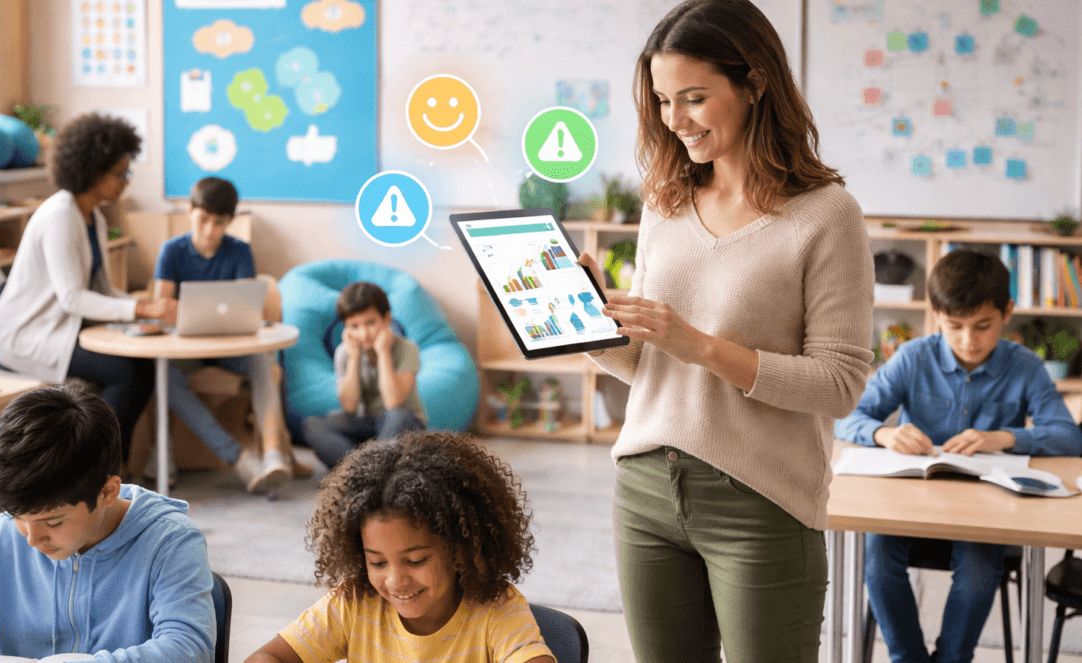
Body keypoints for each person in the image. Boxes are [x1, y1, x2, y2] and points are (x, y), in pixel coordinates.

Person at [572, 1, 875, 660]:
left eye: (693, 98)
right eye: (659, 99)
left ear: (754, 82)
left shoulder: (828, 216)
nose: (672, 119)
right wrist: (592, 328)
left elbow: (839, 383)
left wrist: (701, 345)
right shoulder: (665, 200)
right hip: (647, 489)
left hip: (761, 502)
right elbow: (654, 362)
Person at [836, 249, 1082, 663]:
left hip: (984, 511)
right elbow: (847, 415)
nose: (969, 340)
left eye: (983, 326)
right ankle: (908, 658)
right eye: (955, 327)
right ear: (936, 316)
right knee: (876, 562)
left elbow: (1068, 439)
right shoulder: (914, 357)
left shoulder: (1025, 366)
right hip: (908, 503)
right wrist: (883, 432)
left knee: (979, 576)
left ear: (1007, 312)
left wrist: (1003, 438)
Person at [0, 386, 215, 663]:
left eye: (53, 522)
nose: (31, 539)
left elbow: (190, 649)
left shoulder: (171, 542)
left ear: (108, 491)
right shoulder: (1, 538)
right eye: (17, 516)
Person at [243, 431, 555, 663]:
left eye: (416, 560)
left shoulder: (496, 609)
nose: (396, 581)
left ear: (459, 548)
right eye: (378, 563)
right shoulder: (353, 604)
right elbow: (267, 658)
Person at [0, 114, 177, 470]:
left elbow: (102, 288)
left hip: (61, 327)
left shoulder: (94, 216)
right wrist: (141, 311)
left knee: (142, 363)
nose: (126, 181)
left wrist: (145, 305)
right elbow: (72, 297)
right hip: (26, 334)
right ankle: (104, 472)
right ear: (92, 170)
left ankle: (115, 469)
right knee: (128, 371)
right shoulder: (60, 215)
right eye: (119, 173)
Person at [149, 176, 306, 493]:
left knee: (264, 362)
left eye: (218, 223)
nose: (209, 230)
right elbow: (160, 308)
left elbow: (248, 309)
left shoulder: (239, 252)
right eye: (203, 219)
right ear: (190, 211)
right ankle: (239, 459)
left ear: (230, 222)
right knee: (164, 375)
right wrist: (171, 313)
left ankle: (274, 454)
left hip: (231, 349)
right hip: (186, 352)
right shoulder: (172, 251)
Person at [300, 281, 426, 469]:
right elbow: (349, 406)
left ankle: (365, 469)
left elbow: (393, 403)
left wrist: (383, 353)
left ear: (386, 319)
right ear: (346, 327)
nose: (364, 333)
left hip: (402, 425)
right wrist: (354, 358)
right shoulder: (345, 352)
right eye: (354, 326)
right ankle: (366, 468)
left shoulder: (407, 348)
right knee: (312, 425)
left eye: (370, 323)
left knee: (396, 416)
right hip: (365, 425)